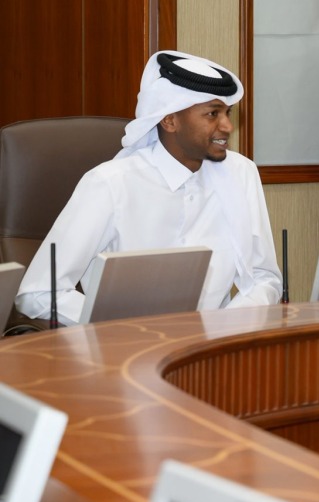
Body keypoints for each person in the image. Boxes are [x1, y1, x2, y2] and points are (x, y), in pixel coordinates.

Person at [15, 52, 283, 324]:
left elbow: (264, 279)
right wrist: (121, 326)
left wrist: (222, 328)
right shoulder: (110, 184)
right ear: (170, 121)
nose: (227, 126)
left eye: (227, 113)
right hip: (123, 344)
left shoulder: (241, 173)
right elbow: (38, 293)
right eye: (212, 114)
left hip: (214, 344)